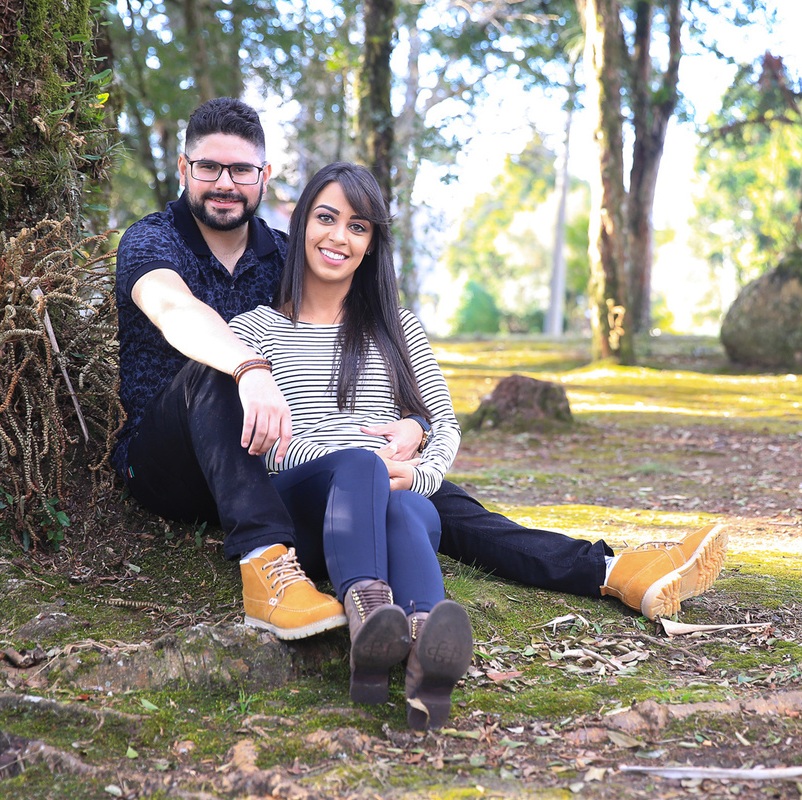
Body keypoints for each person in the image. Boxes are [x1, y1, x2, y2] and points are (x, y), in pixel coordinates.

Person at [113, 97, 726, 648]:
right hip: (175, 453)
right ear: (184, 169)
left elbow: (331, 333)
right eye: (209, 168)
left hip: (267, 453)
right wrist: (249, 369)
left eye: (240, 170)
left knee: (431, 498)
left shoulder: (285, 249)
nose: (225, 182)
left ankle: (613, 572)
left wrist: (410, 428)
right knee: (214, 364)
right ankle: (268, 564)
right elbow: (177, 312)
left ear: (264, 177)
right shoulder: (153, 241)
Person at [227, 162, 470, 729]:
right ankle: (369, 612)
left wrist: (419, 474)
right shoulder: (253, 330)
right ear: (301, 226)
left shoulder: (395, 328)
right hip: (308, 507)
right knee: (362, 469)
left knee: (408, 504)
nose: (339, 237)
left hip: (390, 499)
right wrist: (356, 463)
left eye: (357, 227)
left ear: (370, 246)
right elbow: (258, 443)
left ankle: (419, 651)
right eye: (327, 218)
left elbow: (443, 424)